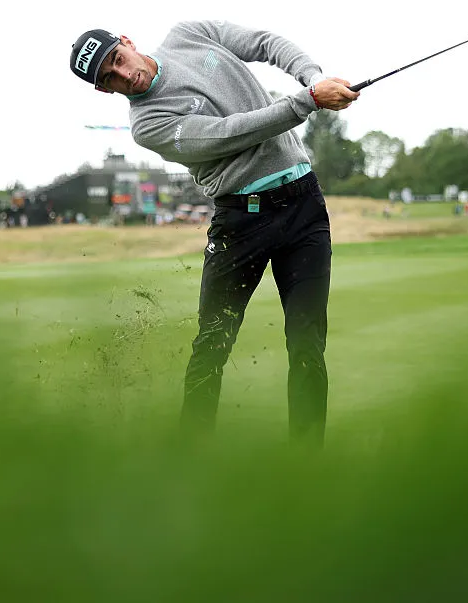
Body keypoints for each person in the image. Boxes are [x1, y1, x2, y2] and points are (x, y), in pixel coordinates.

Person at [69, 22, 360, 446]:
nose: (124, 75)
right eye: (109, 78)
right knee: (212, 345)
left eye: (117, 60)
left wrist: (311, 77)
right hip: (241, 223)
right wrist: (308, 101)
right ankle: (193, 461)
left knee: (307, 344)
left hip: (304, 207)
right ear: (103, 91)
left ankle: (307, 463)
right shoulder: (148, 124)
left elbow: (264, 43)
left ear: (127, 42)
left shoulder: (189, 35)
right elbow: (232, 133)